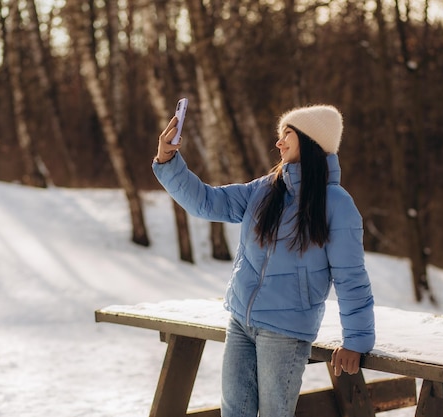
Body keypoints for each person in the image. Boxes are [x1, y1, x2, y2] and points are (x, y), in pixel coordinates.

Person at [152, 104, 375, 417]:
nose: (279, 143)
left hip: (285, 331)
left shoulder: (337, 205)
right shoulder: (264, 190)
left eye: (287, 135)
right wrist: (168, 159)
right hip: (241, 320)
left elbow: (351, 277)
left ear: (311, 143)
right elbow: (206, 202)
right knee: (234, 412)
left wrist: (357, 340)